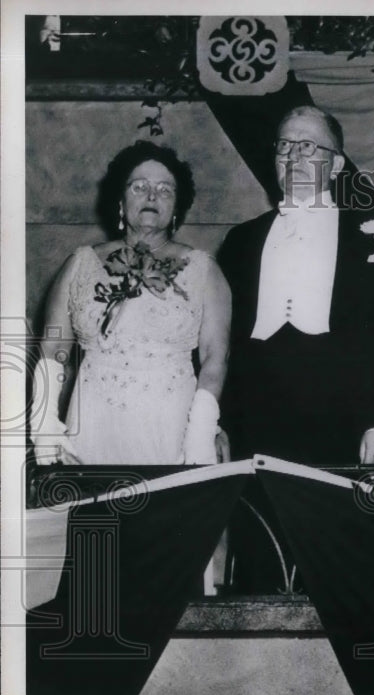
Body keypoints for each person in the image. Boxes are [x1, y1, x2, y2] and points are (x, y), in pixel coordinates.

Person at [217, 105, 374, 466]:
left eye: (307, 146)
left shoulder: (371, 234)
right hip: (252, 416)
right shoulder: (241, 240)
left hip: (342, 416)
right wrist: (217, 421)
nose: (293, 156)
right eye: (284, 145)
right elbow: (221, 338)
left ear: (336, 165)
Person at [30, 141, 230, 465]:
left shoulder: (204, 270)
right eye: (139, 187)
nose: (152, 196)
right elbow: (54, 350)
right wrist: (44, 423)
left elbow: (215, 357)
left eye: (165, 189)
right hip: (93, 422)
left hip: (171, 428)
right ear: (121, 201)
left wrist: (201, 431)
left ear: (176, 207)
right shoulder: (80, 263)